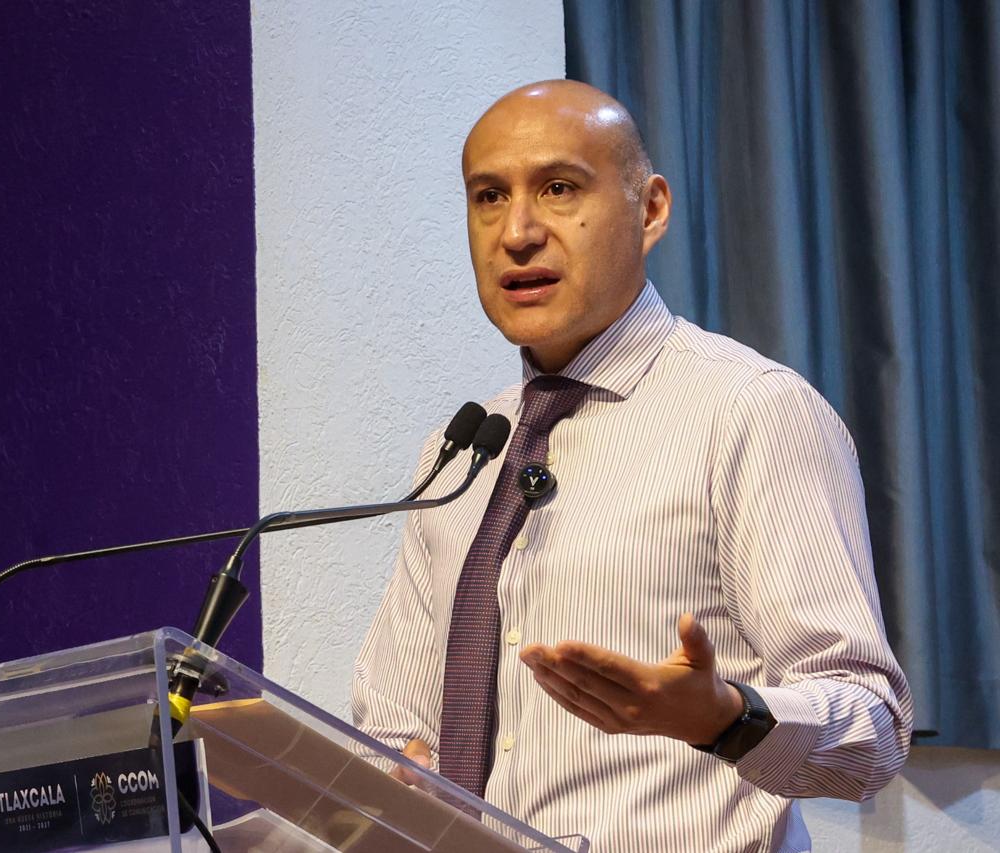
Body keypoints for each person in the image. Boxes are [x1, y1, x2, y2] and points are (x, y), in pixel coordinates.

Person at [351, 80, 913, 852]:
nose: (517, 232)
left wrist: (726, 717)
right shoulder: (466, 452)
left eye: (558, 188)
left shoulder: (750, 410)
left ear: (649, 210)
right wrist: (389, 773)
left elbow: (872, 732)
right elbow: (397, 726)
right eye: (489, 196)